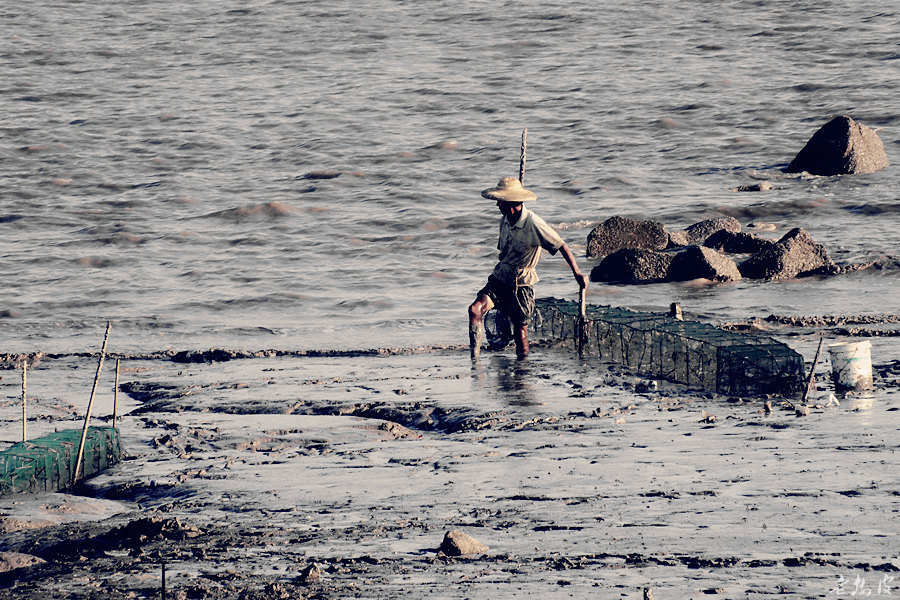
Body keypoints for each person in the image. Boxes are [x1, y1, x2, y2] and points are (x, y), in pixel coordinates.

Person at [469, 177, 587, 360]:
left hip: (521, 284)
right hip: (500, 278)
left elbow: (561, 245)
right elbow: (504, 252)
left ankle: (522, 371)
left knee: (520, 334)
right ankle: (474, 360)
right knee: (475, 310)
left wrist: (577, 273)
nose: (498, 206)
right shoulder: (505, 219)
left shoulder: (533, 223)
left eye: (501, 202)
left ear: (513, 203)